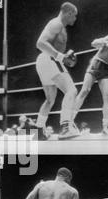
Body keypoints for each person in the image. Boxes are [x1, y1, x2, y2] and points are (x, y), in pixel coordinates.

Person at [33, 2, 79, 140]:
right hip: (50, 59)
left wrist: (65, 58)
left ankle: (39, 130)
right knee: (72, 91)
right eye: (74, 16)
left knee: (50, 100)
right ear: (68, 13)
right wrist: (60, 56)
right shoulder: (56, 24)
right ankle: (65, 127)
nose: (75, 19)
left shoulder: (60, 27)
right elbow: (40, 43)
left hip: (44, 61)